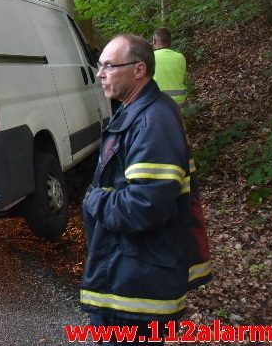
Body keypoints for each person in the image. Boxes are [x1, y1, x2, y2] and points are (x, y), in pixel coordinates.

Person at [80, 34, 211, 343]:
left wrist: (93, 199)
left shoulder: (153, 121)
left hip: (137, 284)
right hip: (127, 270)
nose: (100, 74)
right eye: (100, 66)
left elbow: (145, 206)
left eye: (109, 66)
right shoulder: (135, 111)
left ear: (139, 70)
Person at [152, 27, 187, 106]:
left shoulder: (151, 57)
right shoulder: (180, 57)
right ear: (170, 42)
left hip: (158, 101)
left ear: (154, 41)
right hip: (178, 103)